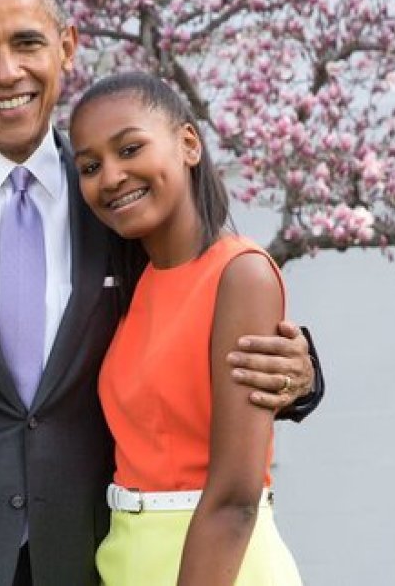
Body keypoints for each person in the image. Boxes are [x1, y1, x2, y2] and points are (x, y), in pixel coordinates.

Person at [0, 0, 323, 586]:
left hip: (92, 555)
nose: (7, 72)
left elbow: (200, 297)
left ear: (67, 47)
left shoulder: (123, 205)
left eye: (27, 42)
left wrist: (303, 375)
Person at [69, 71, 302, 585]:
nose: (110, 177)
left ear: (189, 144)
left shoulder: (241, 274)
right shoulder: (134, 288)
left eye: (129, 149)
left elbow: (236, 498)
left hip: (217, 564)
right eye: (90, 166)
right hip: (128, 558)